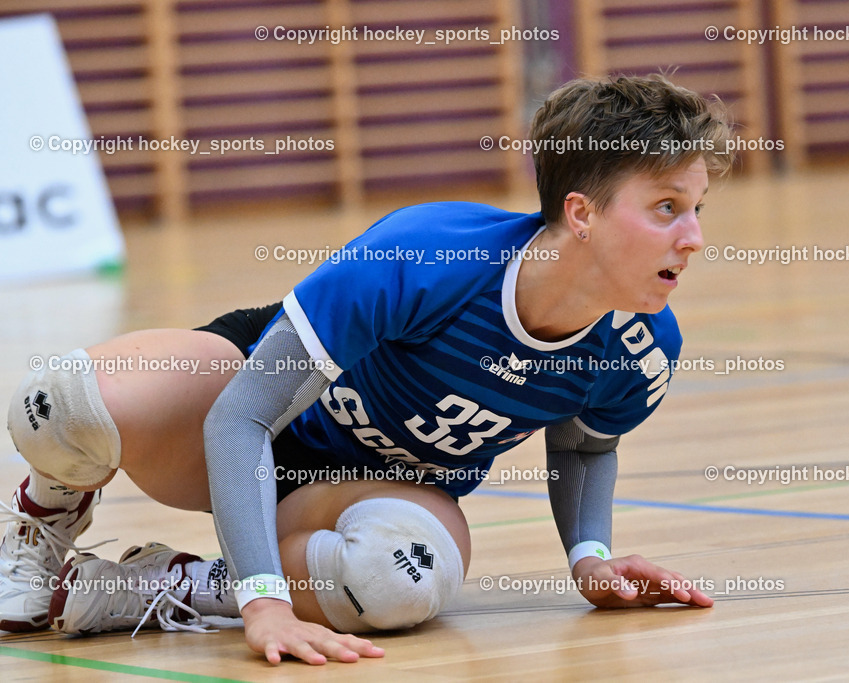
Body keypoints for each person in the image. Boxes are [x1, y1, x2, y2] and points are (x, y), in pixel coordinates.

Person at [1, 74, 732, 665]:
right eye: (667, 207)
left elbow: (582, 442)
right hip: (254, 410)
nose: (694, 238)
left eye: (697, 208)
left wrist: (590, 557)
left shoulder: (643, 349)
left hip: (377, 490)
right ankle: (45, 521)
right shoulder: (427, 255)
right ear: (581, 213)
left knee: (399, 577)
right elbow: (243, 414)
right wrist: (267, 601)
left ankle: (163, 587)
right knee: (57, 401)